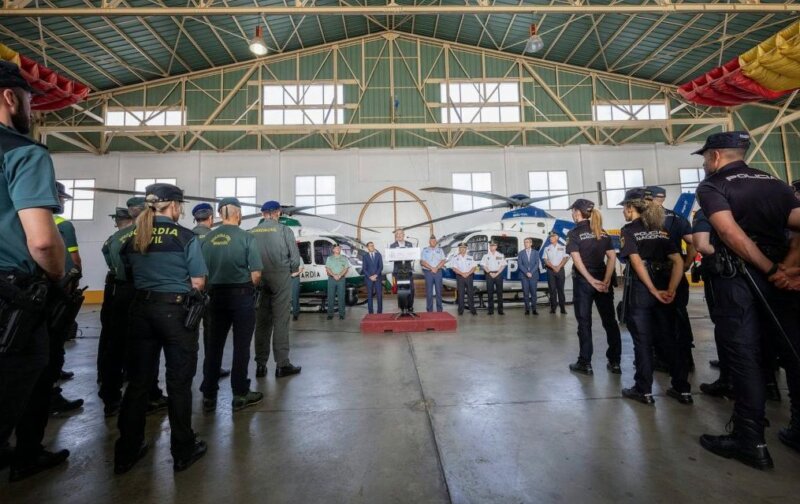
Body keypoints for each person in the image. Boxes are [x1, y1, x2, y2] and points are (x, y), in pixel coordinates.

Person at [693, 131, 800, 470]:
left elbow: (728, 233)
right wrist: (791, 268)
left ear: (716, 156)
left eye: (705, 158)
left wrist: (769, 269)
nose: (706, 163)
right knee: (792, 351)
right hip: (782, 280)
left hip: (738, 279)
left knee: (744, 355)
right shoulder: (776, 184)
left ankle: (749, 440)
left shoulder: (713, 186)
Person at [0, 61, 69, 482]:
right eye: (29, 100)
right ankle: (25, 455)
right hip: (10, 298)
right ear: (10, 97)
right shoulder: (23, 151)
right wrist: (58, 278)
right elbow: (43, 240)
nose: (33, 110)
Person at [114, 183, 208, 474]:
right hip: (176, 313)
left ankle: (127, 451)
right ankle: (182, 449)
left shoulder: (130, 236)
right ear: (174, 206)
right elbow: (199, 282)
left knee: (138, 383)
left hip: (141, 311)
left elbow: (123, 273)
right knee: (179, 383)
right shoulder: (184, 236)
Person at [618, 188, 690, 406]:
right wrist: (671, 288)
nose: (623, 211)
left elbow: (637, 262)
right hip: (666, 286)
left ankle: (644, 390)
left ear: (631, 208)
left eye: (624, 208)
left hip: (643, 290)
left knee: (643, 341)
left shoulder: (629, 230)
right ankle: (682, 388)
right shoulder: (661, 230)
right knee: (670, 338)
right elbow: (678, 261)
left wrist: (651, 289)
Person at [200, 198, 263, 413]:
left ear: (219, 215)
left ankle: (208, 393)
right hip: (241, 296)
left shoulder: (207, 239)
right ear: (239, 214)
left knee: (213, 346)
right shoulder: (247, 237)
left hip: (215, 297)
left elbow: (201, 275)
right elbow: (256, 274)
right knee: (241, 346)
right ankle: (240, 393)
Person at [565, 199, 621, 375]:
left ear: (577, 212)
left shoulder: (574, 234)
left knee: (584, 323)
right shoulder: (602, 232)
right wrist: (605, 280)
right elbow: (612, 257)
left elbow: (577, 259)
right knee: (610, 322)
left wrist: (590, 279)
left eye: (573, 211)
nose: (572, 214)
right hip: (603, 280)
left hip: (584, 282)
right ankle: (615, 362)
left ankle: (585, 363)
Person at [250, 200, 302, 378]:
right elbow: (295, 259)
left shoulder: (252, 232)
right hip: (280, 276)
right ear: (278, 213)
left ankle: (260, 365)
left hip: (258, 277)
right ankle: (282, 364)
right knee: (281, 320)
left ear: (262, 214)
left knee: (262, 322)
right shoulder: (284, 230)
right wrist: (292, 270)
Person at [647, 185, 696, 374]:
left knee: (658, 319)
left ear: (649, 199)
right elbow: (693, 243)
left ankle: (664, 359)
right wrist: (685, 266)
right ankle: (686, 358)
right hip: (676, 274)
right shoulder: (678, 218)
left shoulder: (646, 220)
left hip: (656, 275)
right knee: (680, 315)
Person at [49, 182, 84, 414]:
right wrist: (74, 278)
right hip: (57, 289)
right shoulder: (62, 225)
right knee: (54, 341)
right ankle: (51, 393)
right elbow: (74, 258)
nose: (63, 202)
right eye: (62, 198)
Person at [692, 209, 735, 400]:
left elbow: (701, 244)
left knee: (725, 326)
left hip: (723, 276)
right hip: (757, 273)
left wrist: (726, 256)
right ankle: (769, 384)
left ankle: (728, 380)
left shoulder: (707, 212)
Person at [190, 202, 230, 379]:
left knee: (188, 331)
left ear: (195, 218)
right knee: (211, 332)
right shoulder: (215, 237)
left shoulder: (186, 236)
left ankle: (186, 369)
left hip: (188, 292)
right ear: (211, 218)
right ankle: (212, 367)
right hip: (211, 291)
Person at [543, 232, 569, 314]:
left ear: (556, 238)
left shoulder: (562, 247)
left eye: (552, 236)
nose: (550, 238)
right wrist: (554, 267)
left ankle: (562, 308)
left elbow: (565, 258)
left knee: (561, 290)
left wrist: (559, 267)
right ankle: (553, 308)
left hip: (560, 270)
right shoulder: (547, 248)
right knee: (552, 290)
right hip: (550, 271)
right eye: (550, 237)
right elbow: (545, 260)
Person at [389, 229, 415, 311]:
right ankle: (402, 307)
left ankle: (410, 306)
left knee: (411, 289)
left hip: (408, 270)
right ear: (395, 236)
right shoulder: (392, 245)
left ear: (404, 234)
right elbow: (390, 258)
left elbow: (412, 256)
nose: (399, 235)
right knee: (400, 290)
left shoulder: (409, 244)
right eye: (397, 234)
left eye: (400, 234)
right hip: (398, 271)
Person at [448, 243, 477, 316]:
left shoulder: (470, 257)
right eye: (461, 247)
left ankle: (472, 309)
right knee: (461, 294)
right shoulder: (455, 258)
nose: (462, 249)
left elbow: (474, 267)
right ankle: (460, 310)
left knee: (470, 293)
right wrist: (462, 273)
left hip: (469, 276)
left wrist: (468, 273)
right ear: (459, 249)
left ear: (466, 249)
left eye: (464, 247)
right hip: (460, 277)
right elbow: (454, 268)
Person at [480, 241, 507, 315]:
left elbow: (503, 265)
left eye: (494, 245)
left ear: (496, 246)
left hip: (498, 274)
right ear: (489, 247)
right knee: (490, 293)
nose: (492, 247)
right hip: (489, 274)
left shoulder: (500, 255)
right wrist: (489, 273)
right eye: (491, 245)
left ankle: (500, 310)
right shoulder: (486, 256)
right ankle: (490, 310)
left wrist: (497, 273)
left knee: (500, 293)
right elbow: (483, 265)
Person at [421, 235, 446, 313]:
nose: (433, 242)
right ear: (429, 241)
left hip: (438, 272)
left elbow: (443, 261)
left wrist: (436, 268)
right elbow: (423, 262)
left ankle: (439, 310)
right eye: (432, 241)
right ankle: (429, 310)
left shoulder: (440, 250)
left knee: (439, 291)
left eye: (435, 241)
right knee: (429, 292)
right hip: (428, 272)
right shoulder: (425, 250)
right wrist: (432, 268)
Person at [517, 237, 540, 316]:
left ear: (531, 243)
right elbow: (520, 265)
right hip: (524, 276)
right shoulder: (521, 253)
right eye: (525, 242)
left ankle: (534, 309)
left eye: (527, 242)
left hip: (534, 276)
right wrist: (527, 272)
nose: (525, 244)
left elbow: (537, 264)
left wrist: (531, 272)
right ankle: (527, 309)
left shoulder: (536, 253)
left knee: (534, 293)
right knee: (525, 293)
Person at [325, 244, 349, 320]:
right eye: (336, 248)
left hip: (341, 279)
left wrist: (339, 275)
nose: (338, 249)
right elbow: (328, 268)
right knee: (330, 297)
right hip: (331, 279)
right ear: (333, 250)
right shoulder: (329, 258)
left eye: (339, 248)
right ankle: (330, 314)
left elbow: (346, 268)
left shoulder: (344, 258)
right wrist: (334, 275)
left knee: (341, 297)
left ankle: (342, 314)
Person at [362, 241, 383, 314]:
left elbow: (381, 267)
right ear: (367, 247)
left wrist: (376, 275)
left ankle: (379, 312)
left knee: (379, 295)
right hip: (369, 279)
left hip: (378, 278)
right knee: (369, 295)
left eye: (373, 245)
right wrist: (370, 276)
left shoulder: (378, 255)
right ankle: (370, 312)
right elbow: (364, 268)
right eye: (370, 246)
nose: (372, 247)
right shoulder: (365, 256)